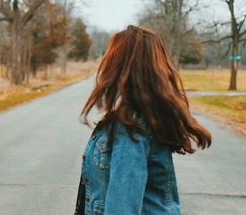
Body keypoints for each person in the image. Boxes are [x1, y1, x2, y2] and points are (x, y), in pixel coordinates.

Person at [75, 25, 212, 215]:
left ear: (121, 64)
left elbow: (121, 210)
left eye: (110, 54)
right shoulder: (145, 119)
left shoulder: (130, 128)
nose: (104, 60)